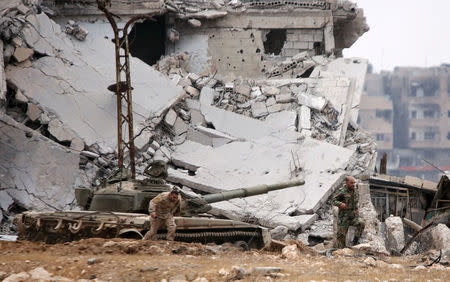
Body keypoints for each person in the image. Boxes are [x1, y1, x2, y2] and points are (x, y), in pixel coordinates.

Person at [333, 176, 365, 248]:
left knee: (361, 223)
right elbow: (333, 201)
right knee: (341, 236)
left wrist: (356, 208)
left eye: (354, 183)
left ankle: (355, 242)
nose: (353, 184)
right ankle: (341, 252)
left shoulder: (356, 190)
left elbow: (355, 201)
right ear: (346, 183)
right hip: (344, 218)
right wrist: (340, 204)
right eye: (351, 183)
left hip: (353, 217)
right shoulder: (342, 191)